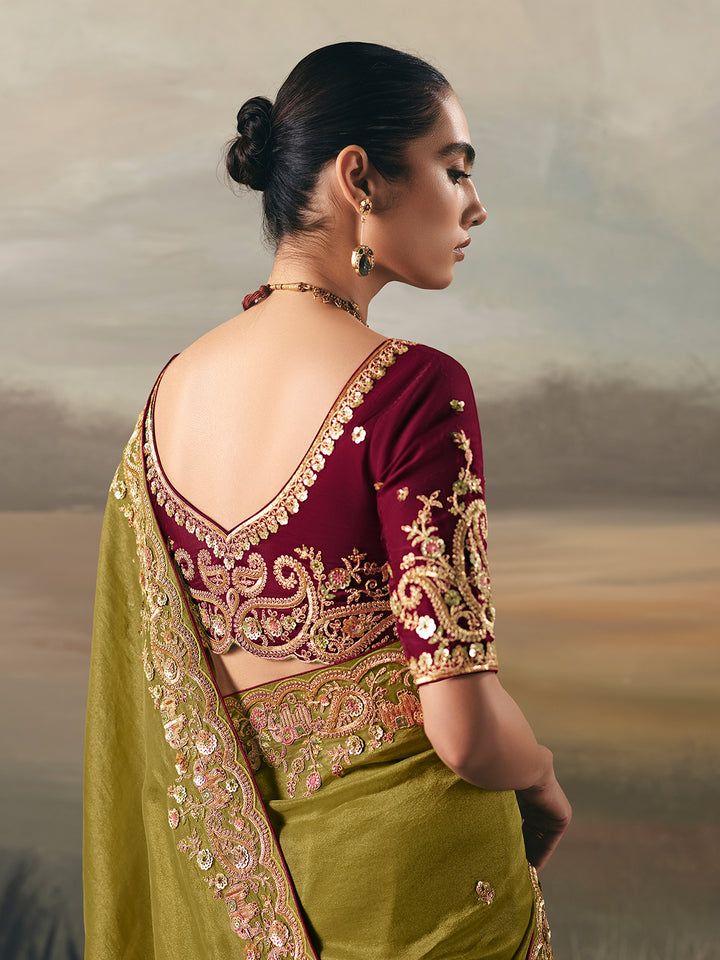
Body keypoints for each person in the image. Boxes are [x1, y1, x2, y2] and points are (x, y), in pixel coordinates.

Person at [84, 41, 570, 960]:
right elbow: (465, 730)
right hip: (416, 892)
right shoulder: (413, 388)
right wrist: (540, 775)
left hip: (236, 890)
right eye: (453, 168)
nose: (474, 205)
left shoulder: (168, 394)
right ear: (360, 178)